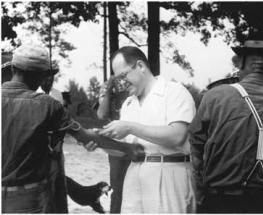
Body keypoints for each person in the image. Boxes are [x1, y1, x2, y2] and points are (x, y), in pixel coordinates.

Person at [2, 44, 144, 213]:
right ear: (41, 75)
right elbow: (84, 136)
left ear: (12, 68)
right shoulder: (47, 105)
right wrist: (128, 148)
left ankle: (85, 195)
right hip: (30, 199)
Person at [189, 36, 263, 213]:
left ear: (241, 63)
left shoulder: (215, 96)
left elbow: (196, 150)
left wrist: (199, 191)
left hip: (220, 203)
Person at [98, 46, 196, 213]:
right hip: (134, 176)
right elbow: (124, 150)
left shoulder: (173, 92)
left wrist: (130, 127)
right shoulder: (129, 104)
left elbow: (177, 136)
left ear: (141, 66)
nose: (121, 84)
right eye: (117, 79)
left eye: (123, 75)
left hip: (170, 174)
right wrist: (98, 141)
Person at [96, 75, 130, 213]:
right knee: (117, 188)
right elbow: (101, 114)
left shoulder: (137, 81)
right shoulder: (109, 84)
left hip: (138, 140)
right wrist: (109, 90)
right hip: (117, 145)